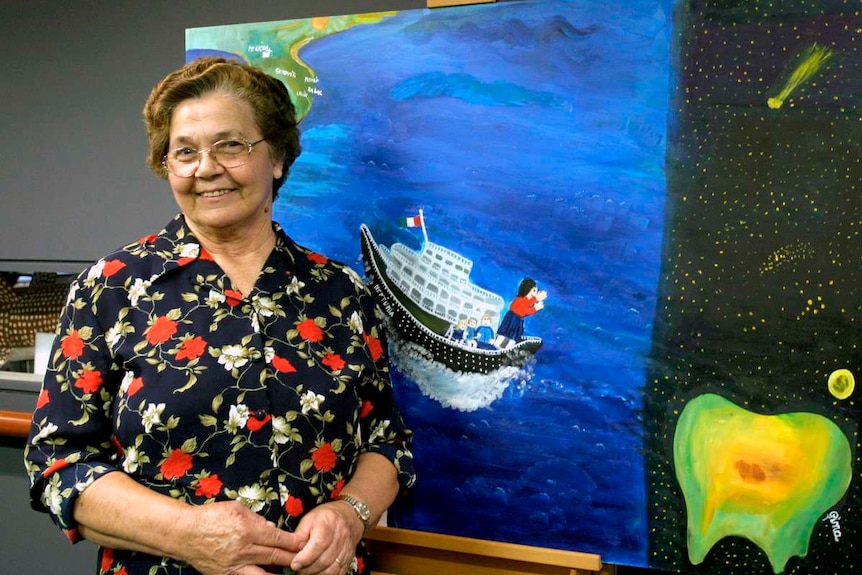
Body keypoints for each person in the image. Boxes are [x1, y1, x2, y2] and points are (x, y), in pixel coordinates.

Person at [23, 57, 415, 575]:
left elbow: (387, 442)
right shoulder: (110, 289)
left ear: (275, 158)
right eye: (183, 152)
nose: (206, 168)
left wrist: (350, 513)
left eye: (231, 145)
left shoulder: (343, 294)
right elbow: (58, 466)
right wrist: (189, 537)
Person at [493, 278, 547, 349]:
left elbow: (526, 309)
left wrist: (535, 305)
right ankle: (497, 346)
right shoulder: (520, 299)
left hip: (517, 320)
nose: (534, 294)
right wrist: (536, 306)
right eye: (534, 291)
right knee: (505, 334)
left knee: (513, 337)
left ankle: (506, 348)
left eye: (536, 291)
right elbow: (524, 310)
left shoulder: (524, 300)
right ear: (527, 288)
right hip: (513, 319)